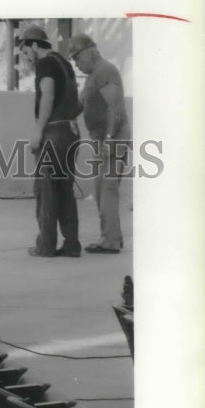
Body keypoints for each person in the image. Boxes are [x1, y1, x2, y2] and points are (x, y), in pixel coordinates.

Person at [19, 25, 82, 258]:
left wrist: (38, 131)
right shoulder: (63, 62)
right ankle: (72, 245)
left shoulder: (45, 63)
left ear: (35, 45)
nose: (27, 58)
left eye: (26, 51)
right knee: (65, 189)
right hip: (71, 131)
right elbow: (76, 100)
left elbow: (48, 94)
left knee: (46, 191)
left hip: (53, 133)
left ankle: (45, 246)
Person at [69, 33, 131, 254]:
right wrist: (68, 117)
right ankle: (113, 237)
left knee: (107, 188)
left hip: (111, 139)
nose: (77, 64)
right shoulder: (93, 75)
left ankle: (110, 242)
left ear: (89, 52)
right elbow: (81, 103)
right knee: (102, 189)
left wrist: (109, 139)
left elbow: (115, 108)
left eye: (78, 58)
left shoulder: (104, 70)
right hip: (103, 139)